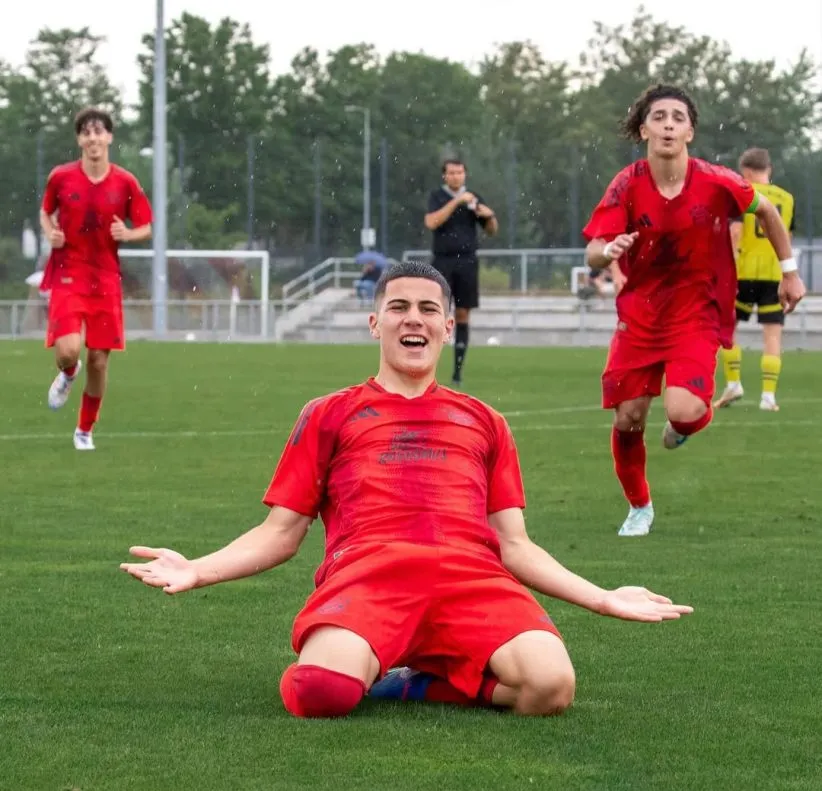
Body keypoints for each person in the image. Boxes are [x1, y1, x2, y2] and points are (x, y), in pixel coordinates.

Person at [121, 261, 693, 719]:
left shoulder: (485, 421)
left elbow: (515, 545)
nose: (412, 319)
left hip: (472, 582)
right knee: (321, 691)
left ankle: (411, 685)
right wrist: (198, 569)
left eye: (427, 309)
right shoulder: (328, 413)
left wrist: (602, 597)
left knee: (550, 688)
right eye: (397, 307)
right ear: (375, 324)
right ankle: (370, 664)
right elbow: (281, 532)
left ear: (448, 327)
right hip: (368, 580)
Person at [583, 84, 805, 538]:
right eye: (658, 116)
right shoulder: (626, 183)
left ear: (690, 132)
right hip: (640, 314)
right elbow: (593, 250)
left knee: (683, 411)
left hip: (696, 311)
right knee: (629, 418)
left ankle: (685, 426)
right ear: (643, 129)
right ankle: (639, 507)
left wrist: (790, 272)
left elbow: (767, 213)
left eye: (678, 118)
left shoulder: (717, 180)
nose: (668, 124)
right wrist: (608, 252)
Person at [40, 107, 153, 451]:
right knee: (68, 351)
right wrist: (50, 233)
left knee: (99, 361)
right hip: (68, 273)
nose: (93, 138)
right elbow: (45, 212)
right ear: (79, 139)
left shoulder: (125, 182)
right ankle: (67, 373)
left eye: (98, 131)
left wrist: (127, 234)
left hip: (104, 279)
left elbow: (146, 226)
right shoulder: (61, 177)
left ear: (109, 137)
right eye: (86, 132)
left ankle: (84, 430)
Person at [715, 148, 795, 412]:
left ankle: (734, 383)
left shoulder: (743, 192)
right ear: (768, 169)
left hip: (743, 273)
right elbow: (787, 238)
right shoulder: (787, 198)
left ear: (746, 172)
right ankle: (768, 397)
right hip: (773, 274)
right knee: (772, 335)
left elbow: (735, 232)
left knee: (728, 328)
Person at [424, 159, 498, 386]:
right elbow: (432, 222)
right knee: (436, 312)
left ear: (465, 174)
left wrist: (489, 215)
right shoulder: (437, 197)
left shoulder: (474, 198)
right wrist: (457, 201)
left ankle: (457, 372)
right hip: (443, 261)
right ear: (445, 176)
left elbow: (492, 230)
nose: (456, 176)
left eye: (460, 172)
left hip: (467, 261)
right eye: (452, 173)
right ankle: (426, 367)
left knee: (463, 314)